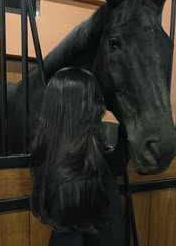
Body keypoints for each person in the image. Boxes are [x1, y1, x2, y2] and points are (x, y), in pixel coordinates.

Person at [30, 67, 125, 246]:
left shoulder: (64, 157)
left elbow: (117, 164)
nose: (100, 110)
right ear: (82, 110)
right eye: (94, 103)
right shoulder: (74, 173)